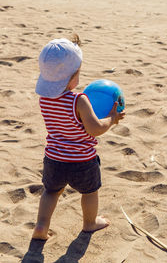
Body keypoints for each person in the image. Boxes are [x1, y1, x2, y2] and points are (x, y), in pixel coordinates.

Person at [32, 34, 125, 240]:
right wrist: (112, 118)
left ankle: (41, 226)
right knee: (90, 192)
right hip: (82, 160)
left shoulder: (44, 99)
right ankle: (90, 223)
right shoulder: (79, 100)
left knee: (50, 192)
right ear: (73, 76)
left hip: (54, 159)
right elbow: (95, 129)